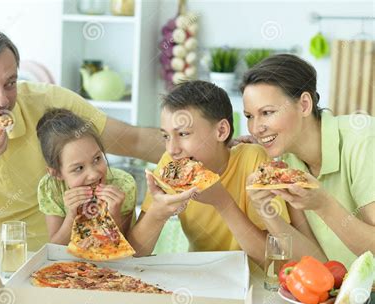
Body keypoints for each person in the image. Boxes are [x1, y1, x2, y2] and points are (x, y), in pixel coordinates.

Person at [0, 27, 163, 251]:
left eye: (10, 83)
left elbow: (134, 141)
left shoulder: (50, 102)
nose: (2, 100)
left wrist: (192, 150)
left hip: (67, 252)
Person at [126, 80, 299, 266]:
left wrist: (222, 203)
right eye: (166, 136)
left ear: (221, 131)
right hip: (201, 276)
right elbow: (135, 255)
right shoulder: (171, 164)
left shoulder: (255, 161)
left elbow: (276, 259)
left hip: (253, 282)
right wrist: (157, 213)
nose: (172, 149)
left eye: (183, 134)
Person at [241, 54, 375, 267]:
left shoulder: (364, 139)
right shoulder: (288, 162)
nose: (256, 128)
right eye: (249, 116)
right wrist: (266, 210)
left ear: (304, 104)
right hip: (339, 295)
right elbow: (316, 260)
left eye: (267, 112)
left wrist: (323, 204)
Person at [36, 108, 136, 244]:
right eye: (79, 168)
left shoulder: (124, 184)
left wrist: (114, 214)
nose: (94, 175)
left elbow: (123, 248)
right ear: (56, 173)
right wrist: (72, 215)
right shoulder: (51, 188)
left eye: (97, 159)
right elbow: (56, 247)